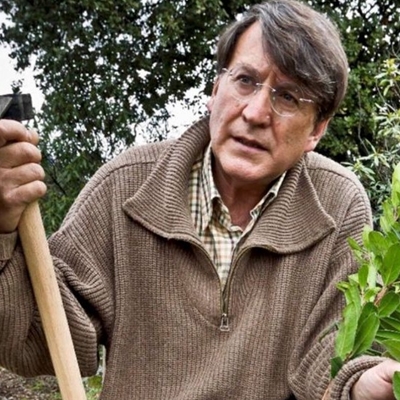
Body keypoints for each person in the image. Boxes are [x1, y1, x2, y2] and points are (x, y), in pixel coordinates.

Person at [0, 0, 399, 398]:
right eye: (245, 80)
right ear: (214, 90)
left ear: (318, 130)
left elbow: (331, 356)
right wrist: (1, 228)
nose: (256, 112)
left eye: (289, 97)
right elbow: (37, 339)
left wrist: (359, 383)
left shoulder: (338, 206)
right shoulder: (127, 187)